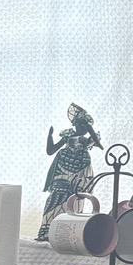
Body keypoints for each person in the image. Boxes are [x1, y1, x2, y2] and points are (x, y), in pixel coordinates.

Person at [38, 103, 102, 241]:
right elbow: (50, 150)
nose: (81, 128)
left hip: (80, 170)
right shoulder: (67, 136)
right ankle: (47, 230)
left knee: (76, 198)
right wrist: (49, 136)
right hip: (61, 169)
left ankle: (70, 233)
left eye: (84, 125)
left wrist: (89, 128)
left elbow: (98, 143)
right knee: (55, 197)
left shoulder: (87, 141)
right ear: (74, 125)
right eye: (79, 124)